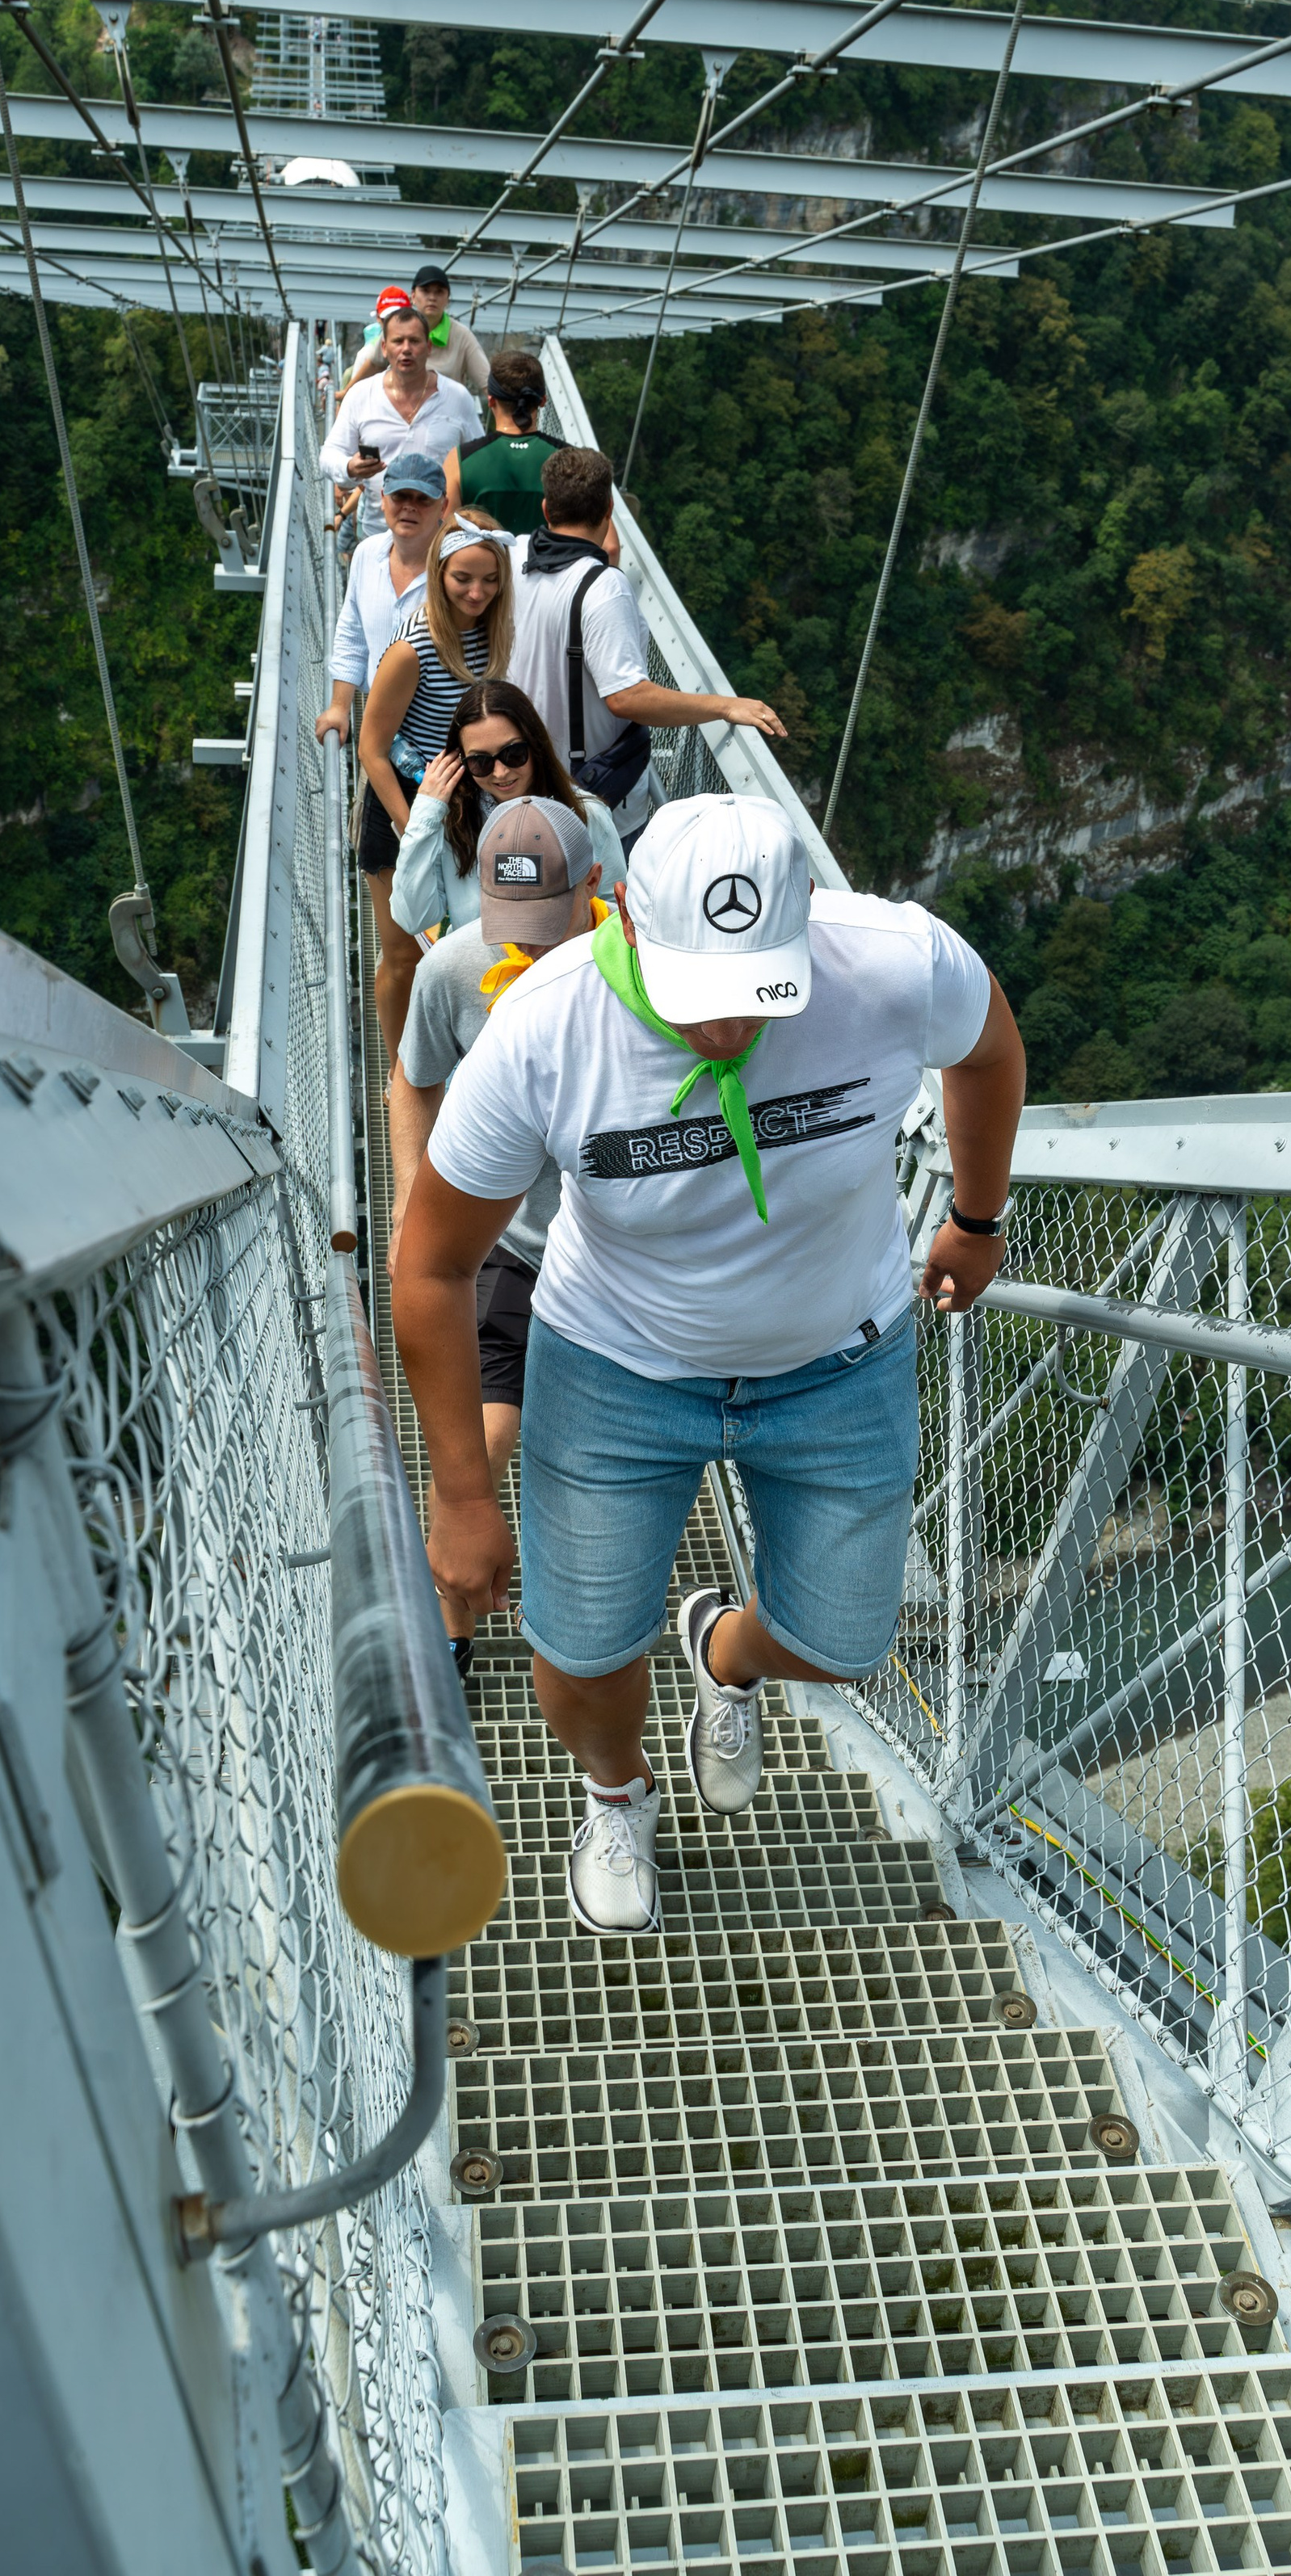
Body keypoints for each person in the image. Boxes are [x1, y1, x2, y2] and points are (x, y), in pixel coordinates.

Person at [392, 792, 1027, 1939]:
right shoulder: (547, 1026)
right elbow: (431, 1266)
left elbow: (989, 1046)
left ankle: (722, 1652)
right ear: (624, 915)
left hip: (840, 1356)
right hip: (617, 1365)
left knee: (845, 1642)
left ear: (808, 932)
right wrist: (459, 1493)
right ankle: (615, 1796)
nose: (727, 1030)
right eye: (701, 998)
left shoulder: (892, 962)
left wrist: (976, 1220)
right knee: (580, 1652)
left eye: (759, 998)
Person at [390, 793, 608, 1680]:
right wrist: (414, 1195)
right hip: (515, 1242)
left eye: (549, 922)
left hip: (616, 1254)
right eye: (510, 920)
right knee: (476, 1449)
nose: (529, 943)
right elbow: (412, 1080)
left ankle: (589, 1644)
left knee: (597, 1472)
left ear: (598, 884)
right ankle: (452, 1636)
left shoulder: (637, 961)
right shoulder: (453, 968)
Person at [510, 446, 787, 850]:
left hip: (522, 785)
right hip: (594, 809)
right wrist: (723, 706)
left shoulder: (513, 558)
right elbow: (627, 697)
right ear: (608, 512)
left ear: (546, 509)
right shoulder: (603, 587)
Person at [357, 526, 515, 1053]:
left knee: (464, 939)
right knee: (403, 951)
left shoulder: (493, 630)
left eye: (491, 580)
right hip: (405, 799)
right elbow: (371, 749)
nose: (478, 592)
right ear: (439, 575)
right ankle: (401, 1072)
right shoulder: (413, 647)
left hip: (468, 799)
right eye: (463, 579)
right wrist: (413, 826)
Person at [391, 677, 625, 943]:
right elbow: (412, 917)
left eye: (513, 754)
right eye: (481, 762)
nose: (501, 772)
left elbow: (614, 910)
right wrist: (426, 812)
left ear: (536, 745)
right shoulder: (454, 820)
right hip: (487, 977)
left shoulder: (584, 814)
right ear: (462, 762)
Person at [314, 452, 454, 758]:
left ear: (443, 506)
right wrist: (339, 708)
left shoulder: (455, 569)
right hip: (380, 733)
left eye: (423, 499)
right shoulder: (366, 554)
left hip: (442, 741)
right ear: (382, 499)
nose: (409, 507)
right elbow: (352, 634)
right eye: (400, 496)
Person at [322, 306, 480, 537]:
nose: (406, 349)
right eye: (398, 341)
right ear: (384, 348)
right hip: (376, 534)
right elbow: (328, 455)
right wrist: (349, 468)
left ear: (428, 347)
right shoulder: (361, 395)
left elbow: (476, 462)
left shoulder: (458, 398)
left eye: (414, 341)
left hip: (439, 538)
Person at [456, 351, 569, 535]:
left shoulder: (460, 460)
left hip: (483, 563)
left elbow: (444, 535)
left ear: (491, 400)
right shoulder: (572, 461)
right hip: (549, 564)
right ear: (542, 401)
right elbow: (610, 547)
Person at [342, 264, 490, 400]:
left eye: (439, 292)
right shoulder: (396, 326)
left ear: (447, 298)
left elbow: (487, 382)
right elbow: (374, 364)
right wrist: (346, 394)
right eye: (425, 291)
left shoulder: (462, 336)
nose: (432, 298)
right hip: (397, 413)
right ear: (413, 296)